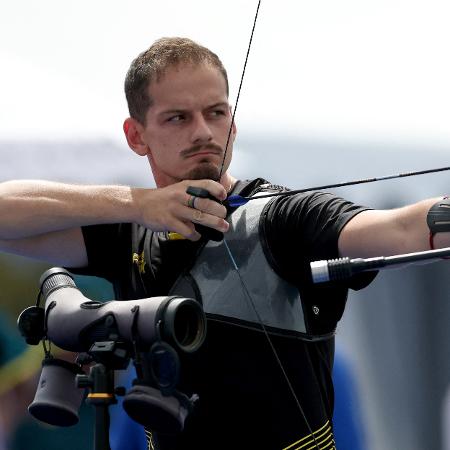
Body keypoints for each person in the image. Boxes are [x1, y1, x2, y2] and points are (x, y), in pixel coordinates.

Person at [0, 37, 449, 450]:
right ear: (136, 136)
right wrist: (138, 203)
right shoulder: (130, 230)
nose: (203, 132)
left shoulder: (284, 218)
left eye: (216, 113)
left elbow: (401, 228)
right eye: (178, 117)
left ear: (232, 124)